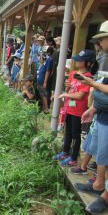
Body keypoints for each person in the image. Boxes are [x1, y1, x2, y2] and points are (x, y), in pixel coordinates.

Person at [67, 20, 108, 214]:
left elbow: (102, 87)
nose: (99, 44)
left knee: (105, 156)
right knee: (99, 154)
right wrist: (94, 107)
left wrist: (90, 83)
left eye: (101, 39)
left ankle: (104, 196)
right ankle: (99, 184)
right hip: (101, 114)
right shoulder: (105, 59)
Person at [53, 50, 95, 166]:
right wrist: (67, 88)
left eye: (81, 60)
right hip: (69, 108)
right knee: (68, 132)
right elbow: (70, 90)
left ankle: (73, 158)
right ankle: (65, 152)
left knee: (76, 134)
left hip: (78, 111)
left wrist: (65, 94)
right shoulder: (73, 74)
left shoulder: (88, 78)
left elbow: (80, 95)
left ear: (88, 63)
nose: (77, 61)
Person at [37, 46, 53, 111]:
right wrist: (41, 55)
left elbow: (48, 71)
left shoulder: (49, 59)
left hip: (43, 79)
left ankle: (46, 108)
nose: (43, 52)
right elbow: (41, 63)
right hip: (40, 78)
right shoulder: (46, 59)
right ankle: (44, 107)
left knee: (44, 94)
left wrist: (45, 82)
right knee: (41, 93)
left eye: (44, 51)